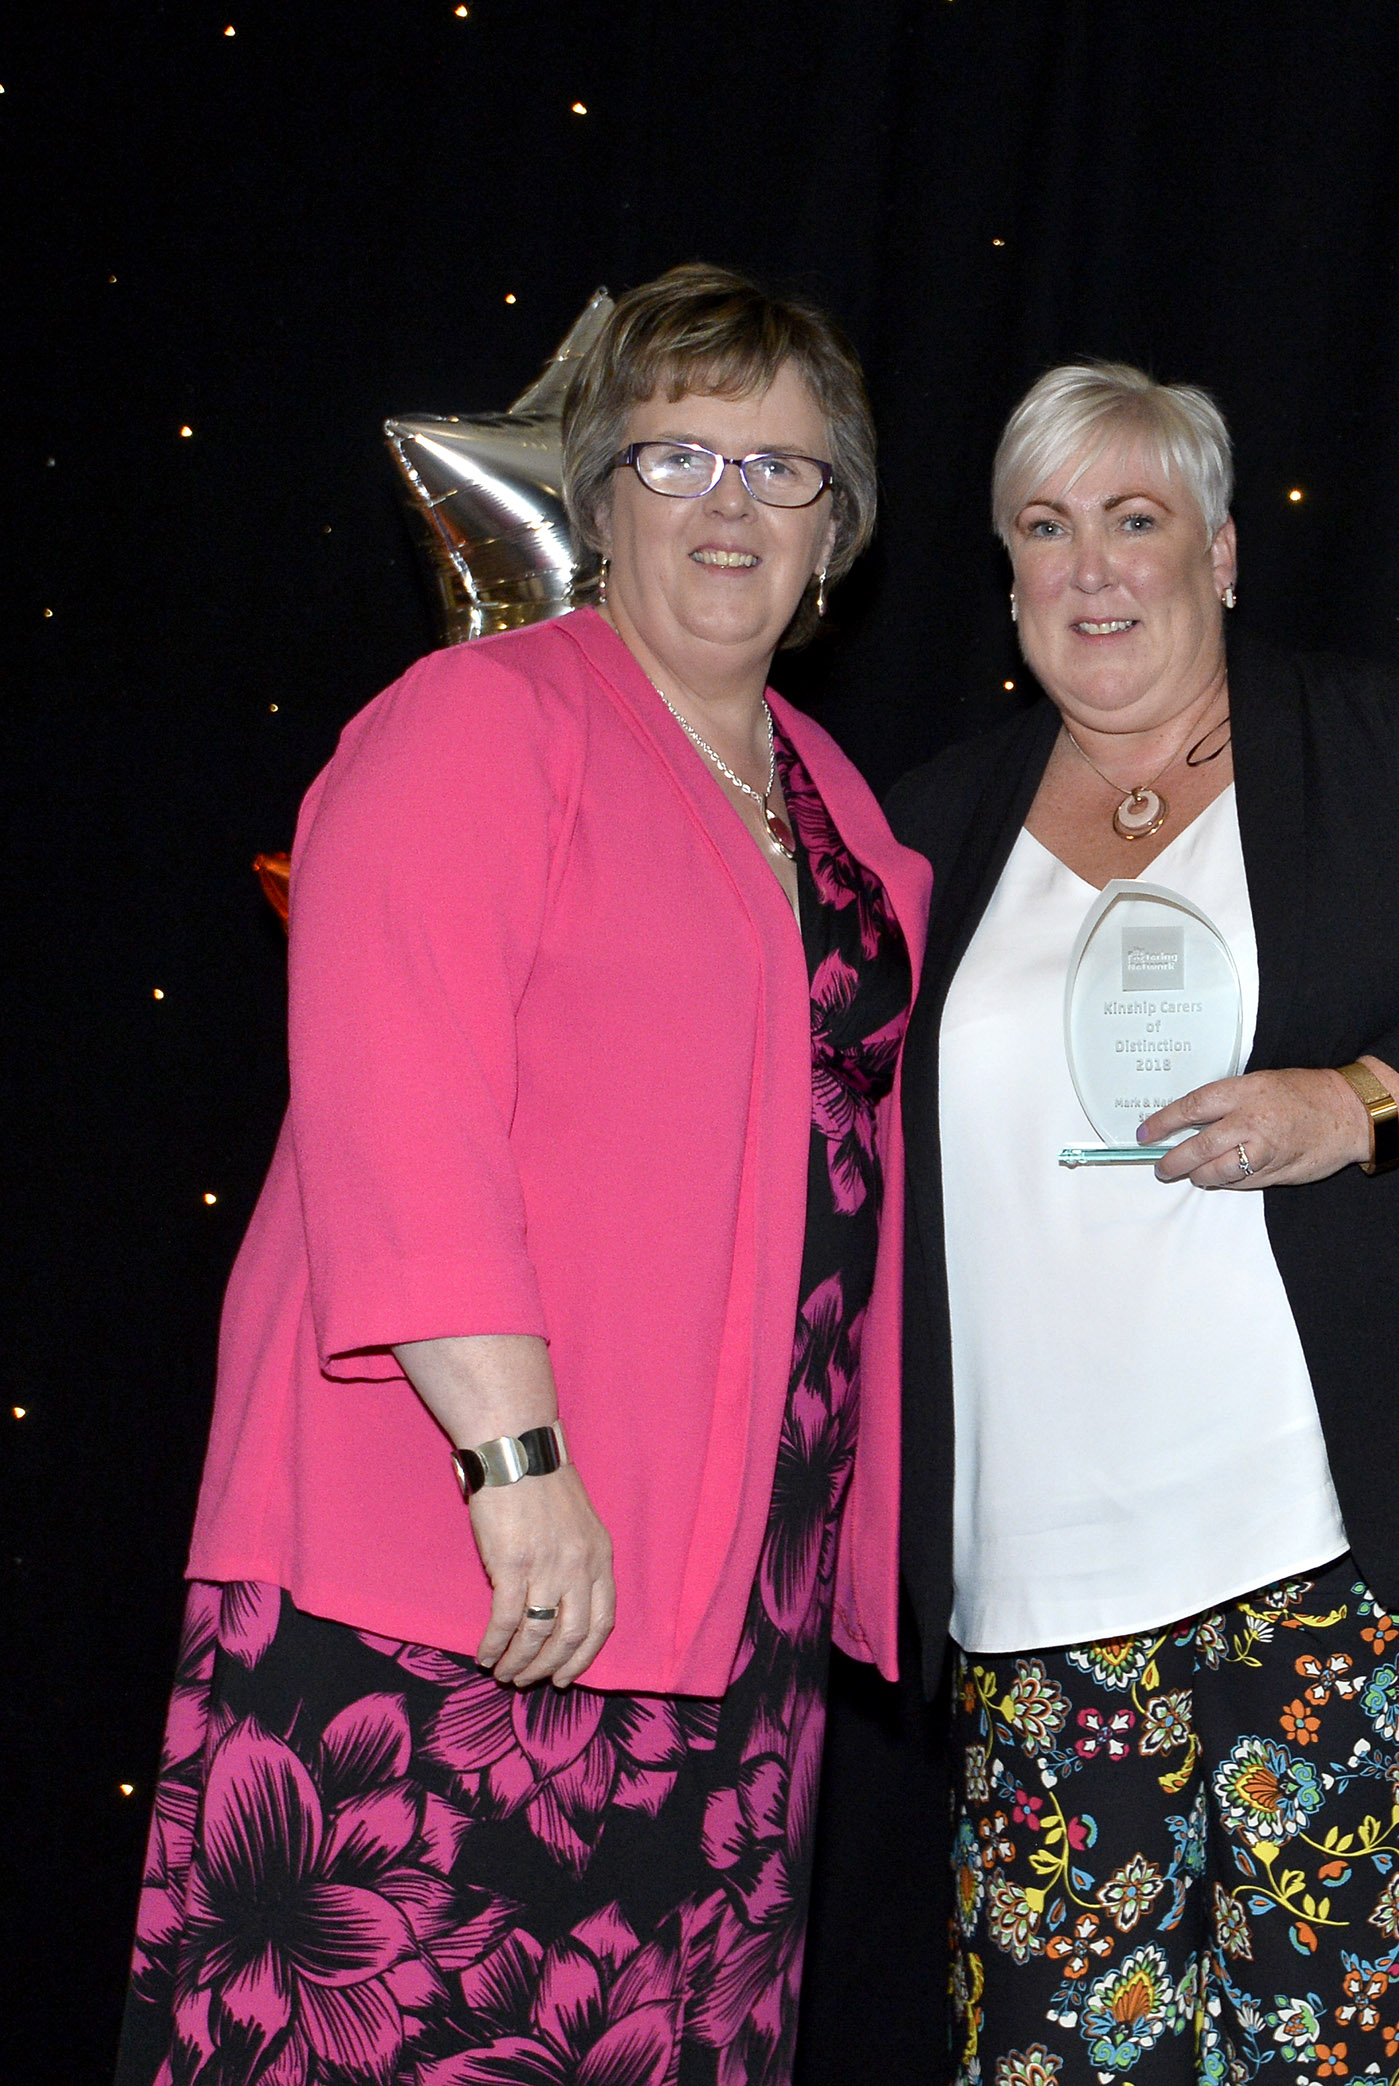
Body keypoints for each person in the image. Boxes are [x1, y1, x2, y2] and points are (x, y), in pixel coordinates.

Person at [116, 263, 929, 2086]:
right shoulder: (480, 722)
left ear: (839, 528)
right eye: (680, 457)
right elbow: (395, 1100)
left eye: (781, 470)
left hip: (735, 1586)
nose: (731, 506)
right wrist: (518, 1456)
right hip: (465, 1563)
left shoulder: (849, 815)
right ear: (599, 491)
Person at [884, 360, 1399, 2086]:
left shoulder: (1392, 743)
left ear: (1219, 552)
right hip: (1039, 1581)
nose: (1091, 570)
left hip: (1349, 1560)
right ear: (1005, 582)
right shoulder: (928, 829)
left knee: (1338, 2064)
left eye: (1133, 521)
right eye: (1045, 531)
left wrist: (1352, 1104)